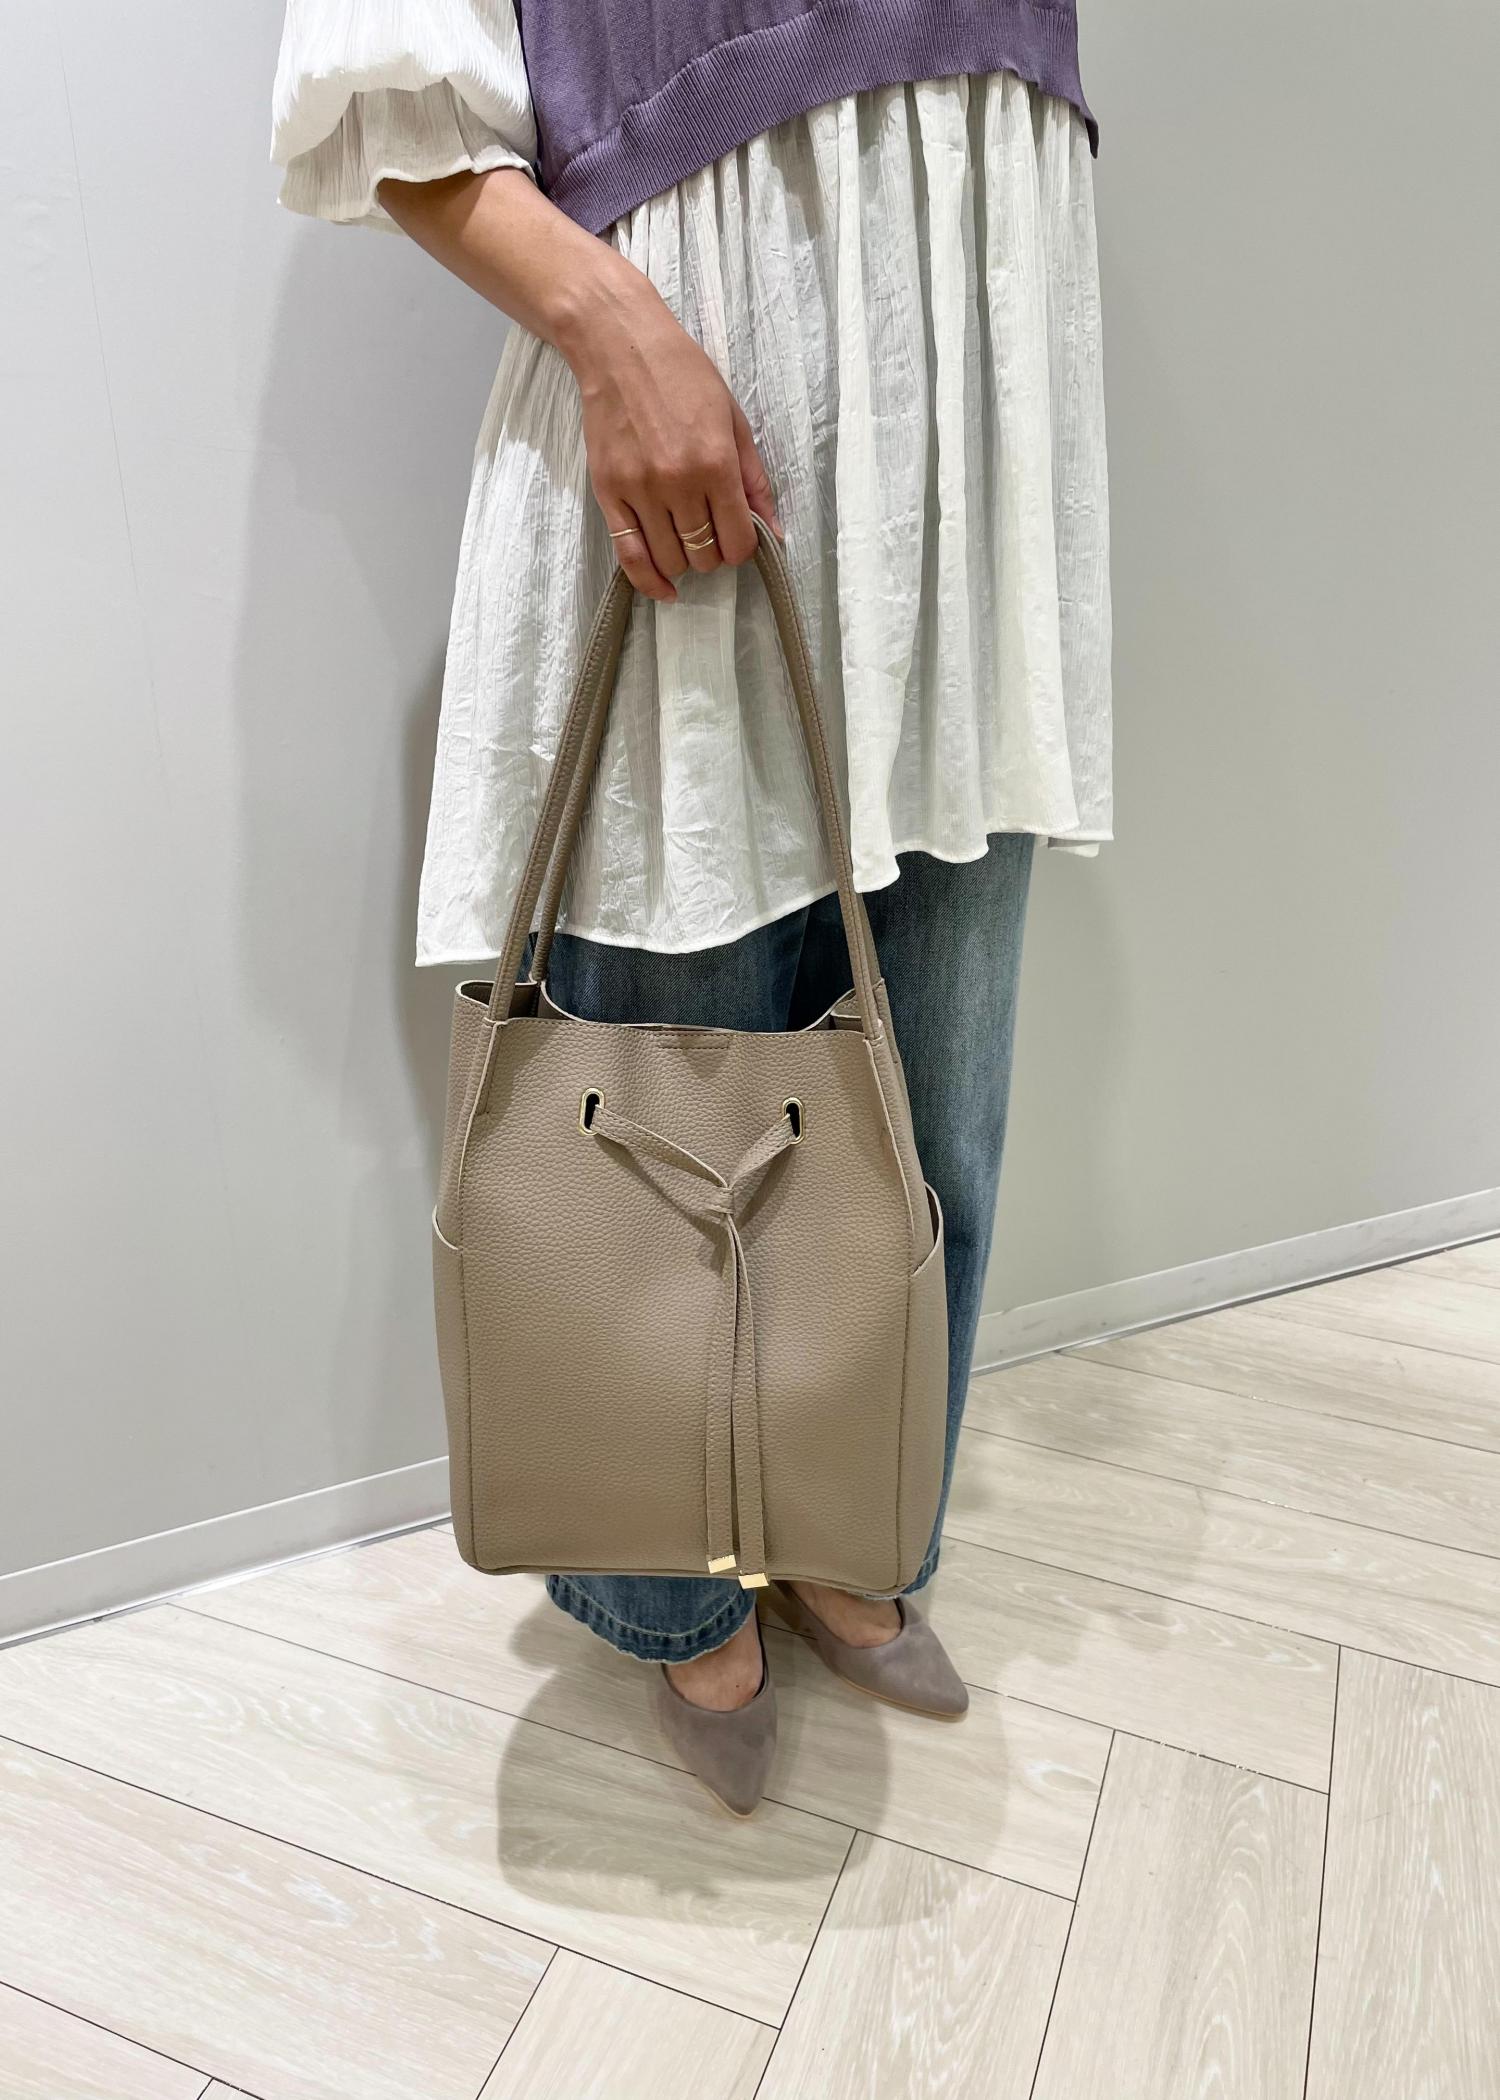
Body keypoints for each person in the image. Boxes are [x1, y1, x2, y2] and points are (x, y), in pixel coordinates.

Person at [270, 0, 1111, 1816]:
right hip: (699, 402)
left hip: (970, 431)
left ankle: (850, 1517)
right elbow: (385, 92)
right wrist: (612, 327)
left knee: (923, 1105)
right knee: (658, 1124)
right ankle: (672, 1600)